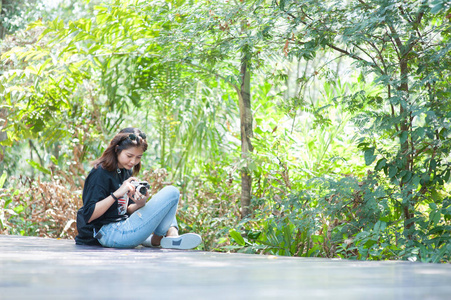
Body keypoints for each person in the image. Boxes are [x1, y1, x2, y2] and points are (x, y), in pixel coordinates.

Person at [75, 127, 201, 249]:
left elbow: (127, 210)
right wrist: (117, 194)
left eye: (138, 157)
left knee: (165, 203)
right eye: (129, 156)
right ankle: (164, 236)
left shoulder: (125, 171)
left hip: (123, 227)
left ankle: (165, 237)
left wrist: (140, 203)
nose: (133, 161)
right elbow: (89, 215)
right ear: (117, 149)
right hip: (109, 233)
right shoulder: (100, 173)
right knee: (172, 192)